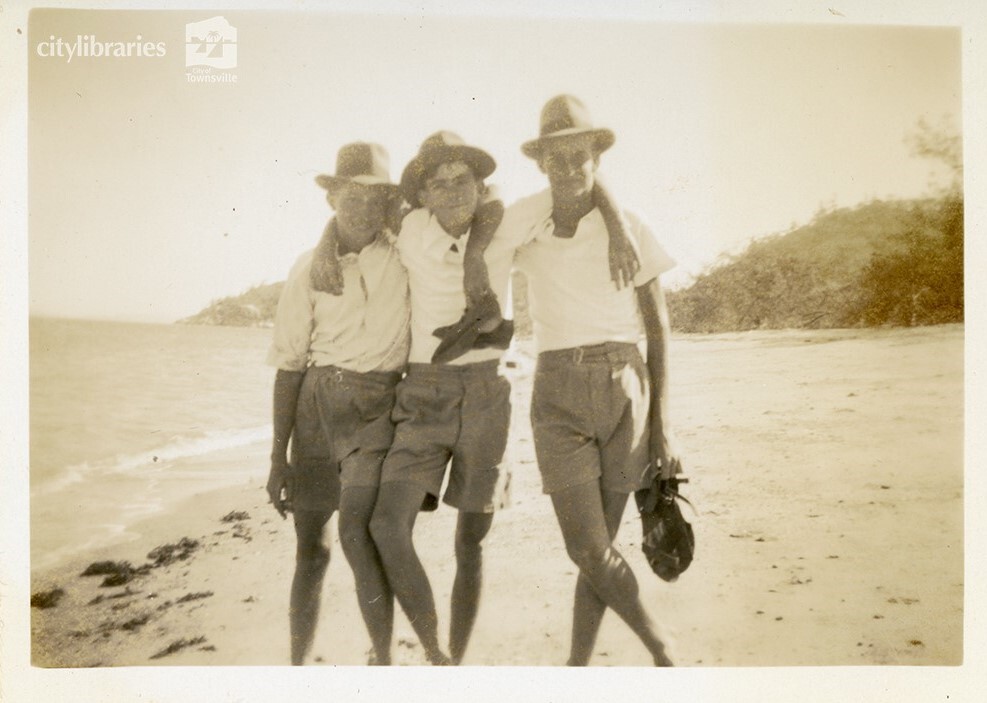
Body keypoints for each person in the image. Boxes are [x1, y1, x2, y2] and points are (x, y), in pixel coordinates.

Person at [509, 94, 682, 666]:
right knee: (587, 547)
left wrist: (664, 427)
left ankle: (576, 668)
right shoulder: (526, 226)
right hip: (556, 388)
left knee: (598, 550)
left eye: (578, 155)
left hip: (624, 386)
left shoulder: (632, 227)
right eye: (555, 158)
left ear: (596, 158)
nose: (568, 168)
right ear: (541, 164)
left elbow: (658, 329)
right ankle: (661, 647)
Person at [367, 131, 515, 666]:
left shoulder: (505, 223)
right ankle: (435, 650)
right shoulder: (409, 229)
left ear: (480, 185)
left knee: (471, 541)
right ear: (423, 194)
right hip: (424, 392)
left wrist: (476, 254)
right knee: (387, 525)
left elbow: (503, 204)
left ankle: (456, 662)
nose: (452, 191)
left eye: (463, 180)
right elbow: (351, 212)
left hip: (487, 393)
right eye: (439, 182)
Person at [265, 142, 410, 665]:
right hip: (317, 406)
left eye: (375, 198)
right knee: (313, 549)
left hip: (377, 406)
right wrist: (277, 456)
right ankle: (297, 667)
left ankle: (383, 660)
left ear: (389, 202)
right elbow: (289, 364)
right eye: (351, 197)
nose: (363, 209)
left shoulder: (407, 252)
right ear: (332, 200)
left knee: (365, 541)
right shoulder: (309, 266)